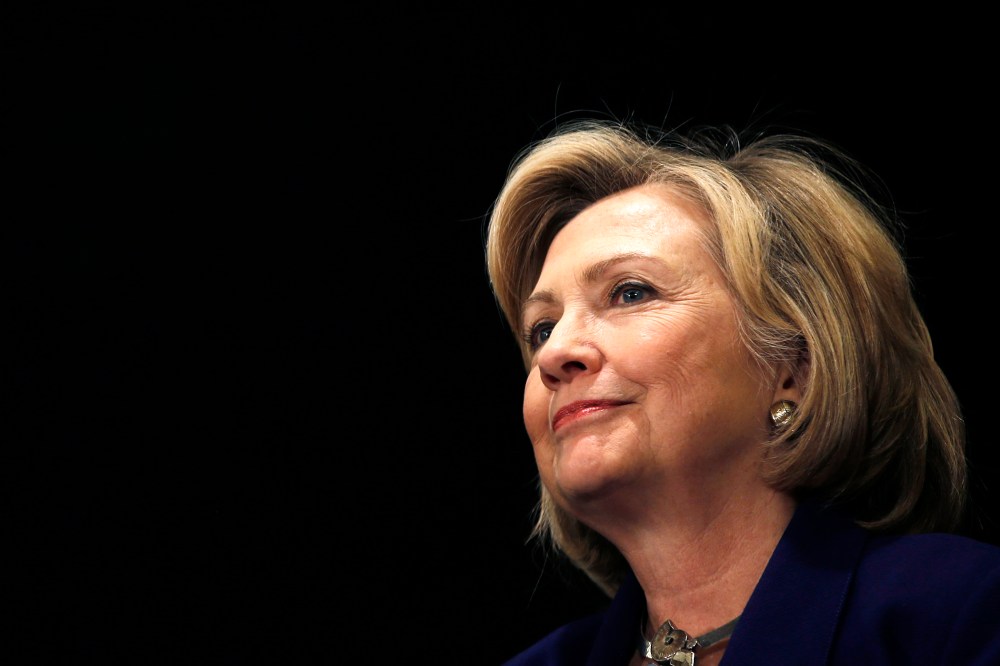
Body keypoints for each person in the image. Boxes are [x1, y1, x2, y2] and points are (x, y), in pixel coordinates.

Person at [484, 118, 1000, 665]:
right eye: (542, 327)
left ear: (793, 368)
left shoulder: (959, 614)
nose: (553, 354)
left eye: (630, 292)